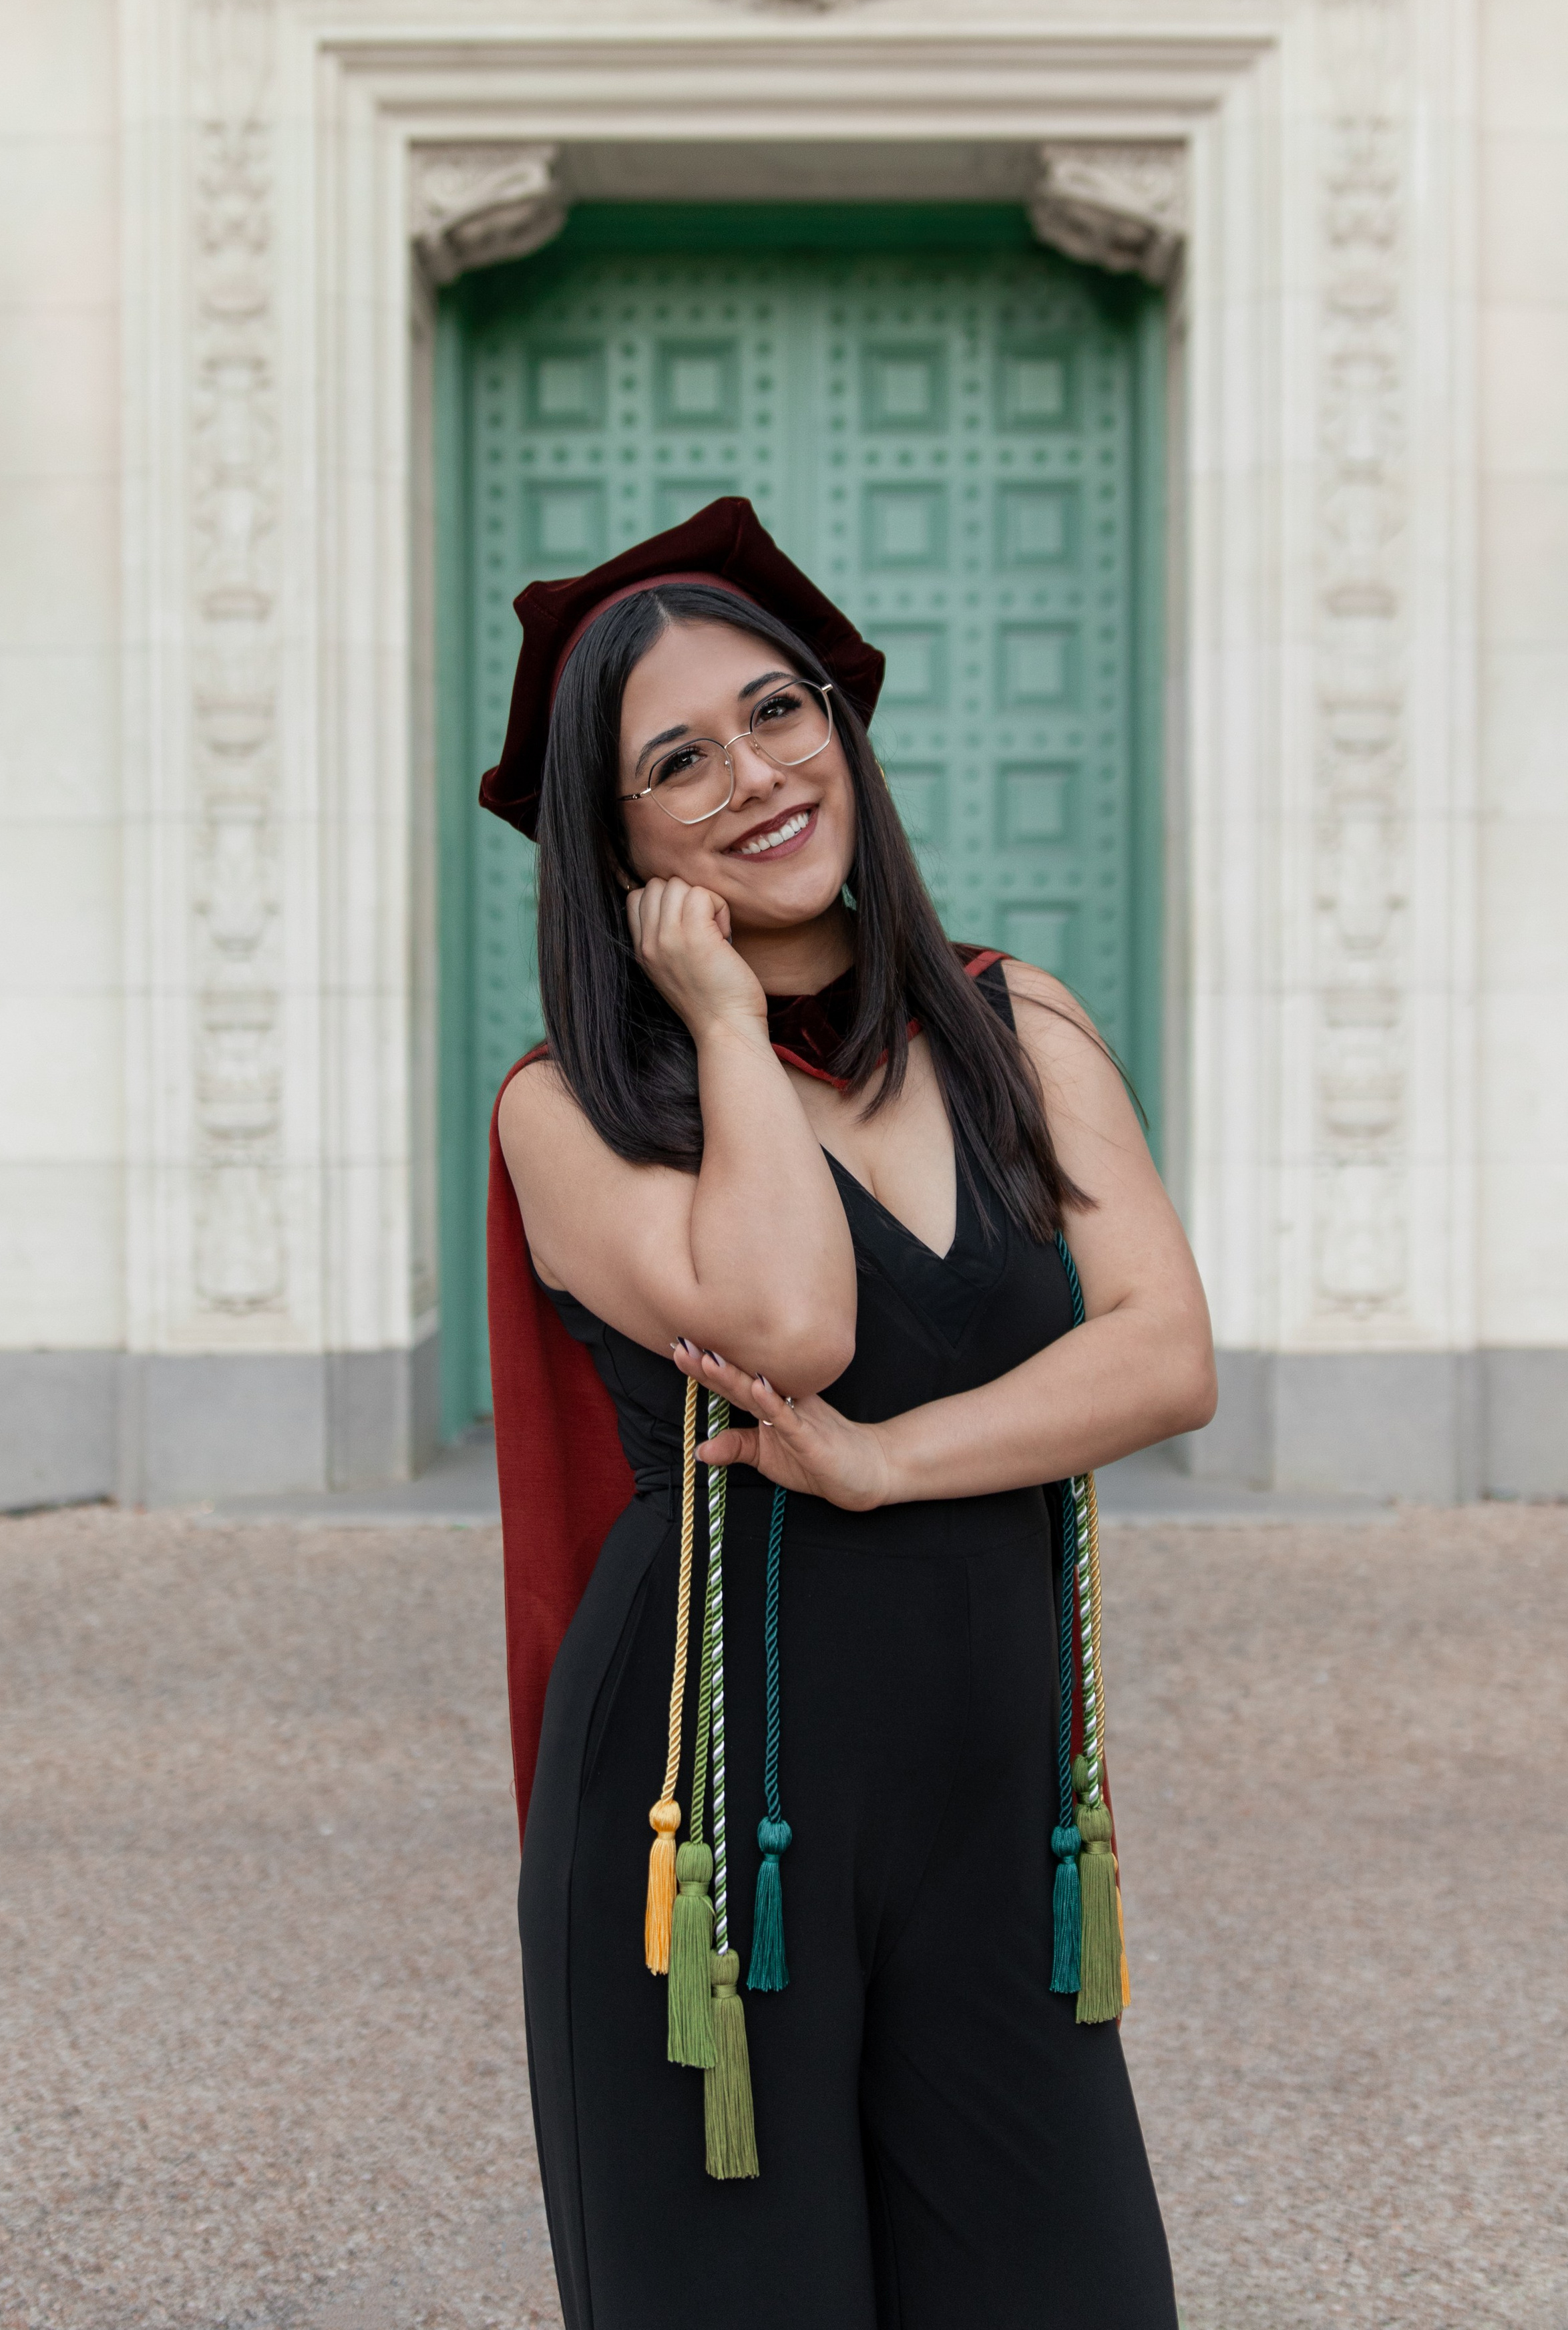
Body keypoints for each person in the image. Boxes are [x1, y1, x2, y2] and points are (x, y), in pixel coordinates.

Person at [479, 498, 1216, 2330]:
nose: (754, 773)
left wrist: (890, 1465)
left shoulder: (1012, 1024)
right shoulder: (567, 1109)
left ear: (844, 726)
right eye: (680, 759)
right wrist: (725, 1019)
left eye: (780, 711)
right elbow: (790, 1319)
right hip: (723, 1843)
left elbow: (1161, 1350)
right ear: (620, 841)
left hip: (996, 1812)